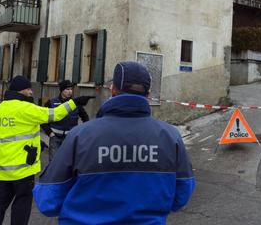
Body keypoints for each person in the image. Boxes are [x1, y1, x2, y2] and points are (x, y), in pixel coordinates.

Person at [33, 61, 196, 224]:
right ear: (148, 94)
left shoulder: (80, 136)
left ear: (113, 89)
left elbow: (47, 201)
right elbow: (181, 195)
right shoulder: (170, 136)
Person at [0, 75, 93, 225]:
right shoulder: (26, 108)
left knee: (0, 203)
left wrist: (36, 142)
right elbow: (54, 114)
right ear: (21, 91)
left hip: (2, 169)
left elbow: (8, 135)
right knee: (21, 204)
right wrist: (75, 102)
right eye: (28, 89)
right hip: (22, 169)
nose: (31, 92)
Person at [41, 80, 89, 161]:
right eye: (67, 89)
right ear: (61, 90)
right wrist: (49, 133)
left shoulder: (76, 103)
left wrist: (82, 131)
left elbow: (85, 117)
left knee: (69, 162)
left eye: (71, 89)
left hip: (70, 138)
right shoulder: (51, 102)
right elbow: (42, 118)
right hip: (55, 138)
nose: (70, 91)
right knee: (54, 163)